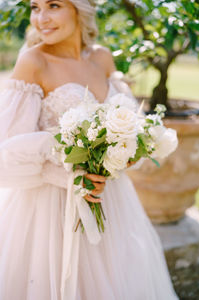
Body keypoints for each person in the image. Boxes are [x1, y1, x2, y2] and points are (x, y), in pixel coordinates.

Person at [0, 0, 179, 299]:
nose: (41, 18)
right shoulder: (33, 62)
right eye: (34, 6)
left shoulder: (103, 58)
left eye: (53, 5)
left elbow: (127, 123)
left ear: (79, 9)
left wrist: (126, 152)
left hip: (113, 202)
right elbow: (7, 154)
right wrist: (70, 175)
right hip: (50, 210)